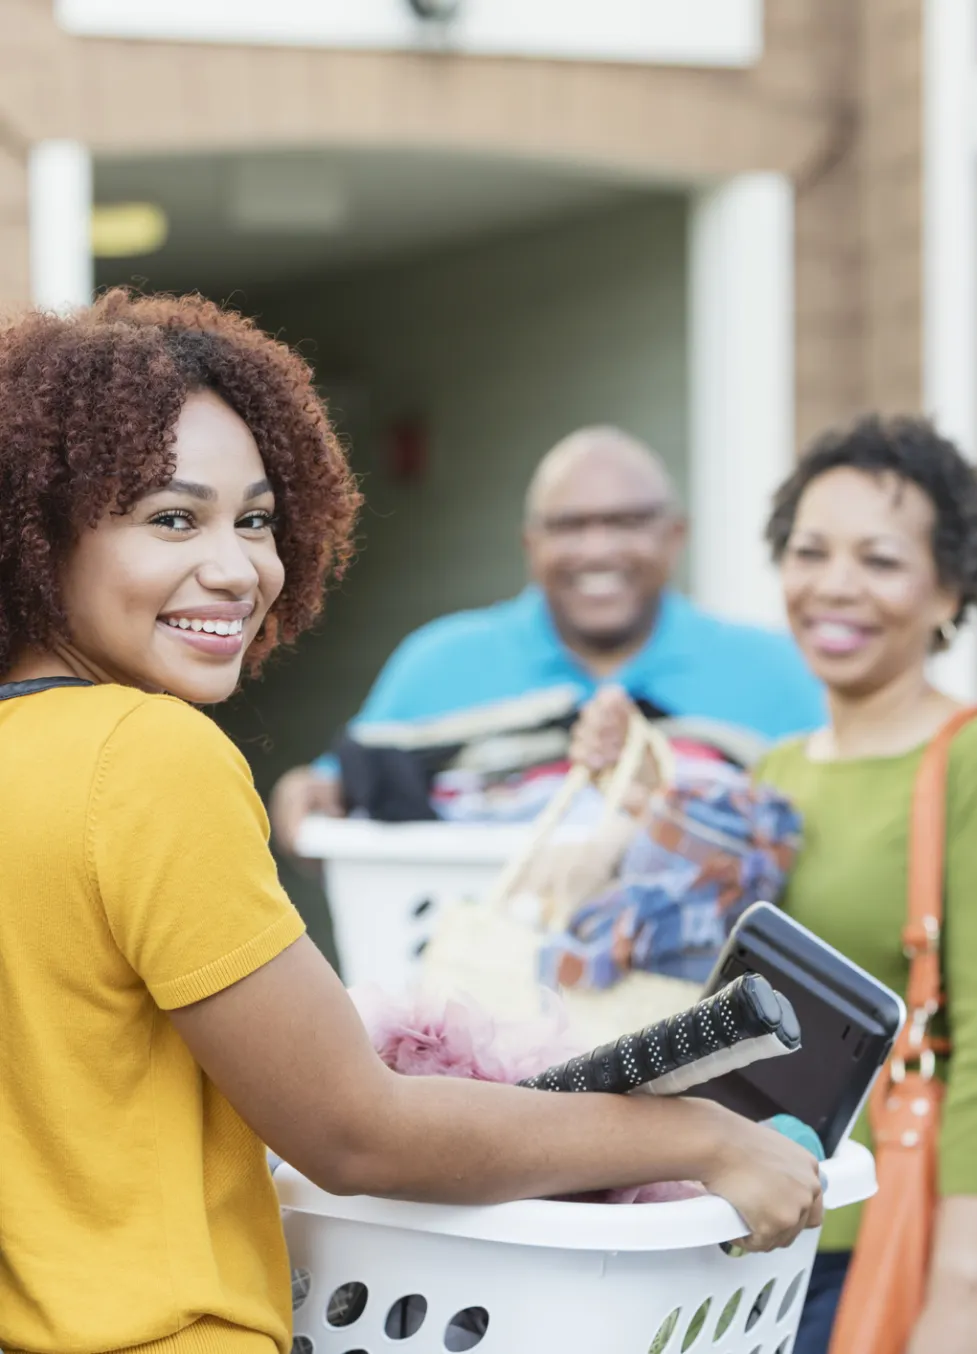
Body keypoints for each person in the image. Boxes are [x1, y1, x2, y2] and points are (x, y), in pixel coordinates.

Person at [0, 291, 823, 1354]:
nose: (237, 566)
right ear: (36, 531)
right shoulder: (150, 759)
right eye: (172, 517)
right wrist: (698, 1138)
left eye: (254, 518)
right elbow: (356, 1129)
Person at [570, 415, 977, 1354]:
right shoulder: (778, 774)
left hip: (891, 1241)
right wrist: (636, 802)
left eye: (880, 560)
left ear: (949, 586)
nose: (834, 586)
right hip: (745, 1234)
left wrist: (967, 1289)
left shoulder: (973, 759)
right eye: (810, 551)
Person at [270, 425, 824, 852]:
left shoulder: (776, 671)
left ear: (675, 535)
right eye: (569, 526)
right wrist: (302, 797)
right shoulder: (439, 663)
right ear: (530, 544)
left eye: (627, 522)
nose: (598, 549)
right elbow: (332, 805)